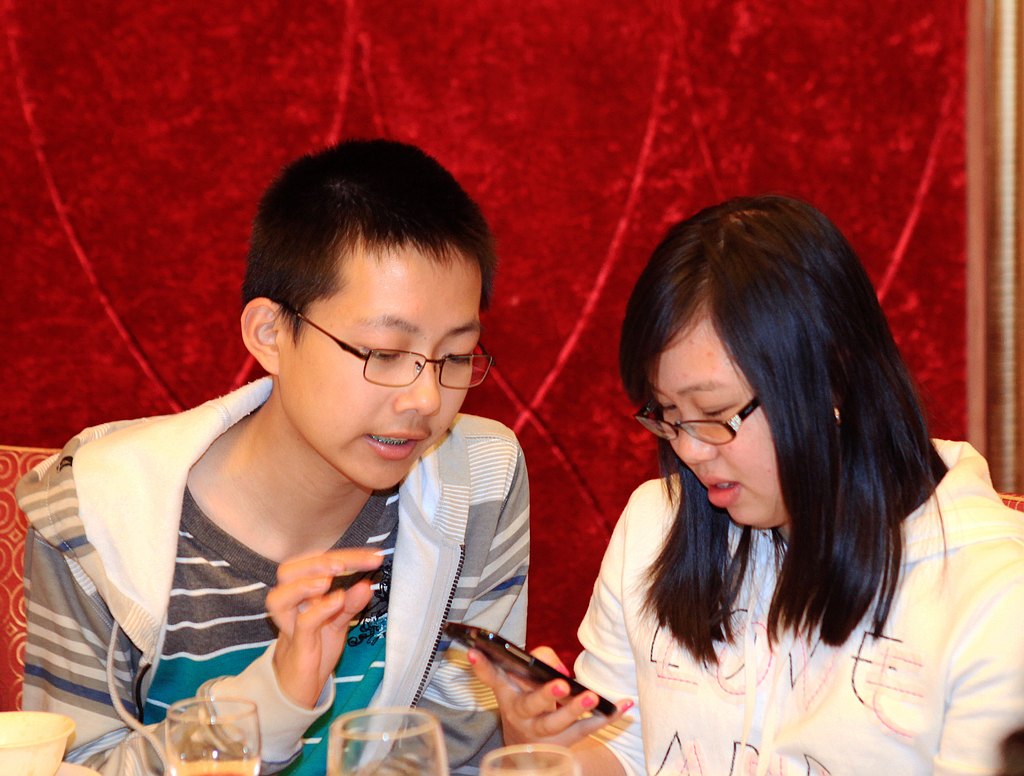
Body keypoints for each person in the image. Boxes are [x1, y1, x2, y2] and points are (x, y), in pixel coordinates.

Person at [17, 139, 530, 775]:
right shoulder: (94, 515)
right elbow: (75, 766)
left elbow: (454, 746)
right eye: (384, 353)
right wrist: (274, 699)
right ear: (270, 334)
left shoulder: (478, 481)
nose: (426, 400)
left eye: (454, 357)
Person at [468, 195, 1024, 774]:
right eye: (668, 414)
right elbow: (628, 751)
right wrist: (547, 748)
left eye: (715, 414)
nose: (688, 449)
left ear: (833, 379)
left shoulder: (994, 597)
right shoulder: (654, 526)